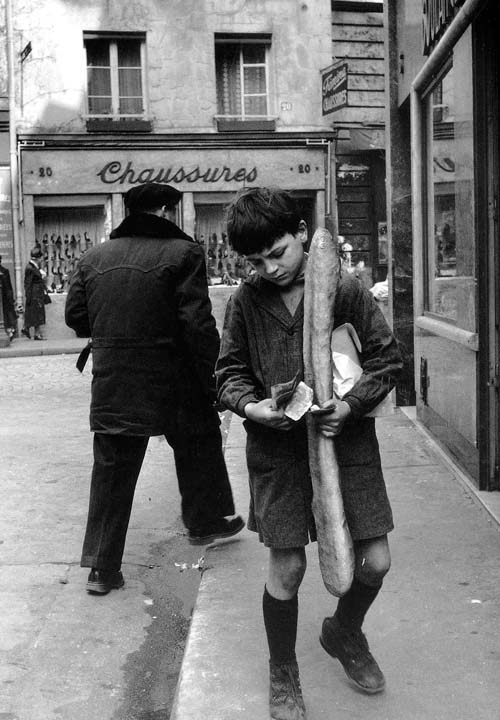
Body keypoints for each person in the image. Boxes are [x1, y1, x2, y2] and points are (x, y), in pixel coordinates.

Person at [215, 187, 403, 719]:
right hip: (278, 455)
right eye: (255, 261)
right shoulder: (245, 303)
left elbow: (388, 361)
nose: (269, 268)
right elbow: (227, 375)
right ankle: (283, 674)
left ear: (301, 233)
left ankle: (343, 631)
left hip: (348, 447)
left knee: (375, 560)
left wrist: (353, 405)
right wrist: (252, 409)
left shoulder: (345, 291)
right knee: (289, 567)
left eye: (277, 253)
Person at [65, 182, 244, 596]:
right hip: (174, 380)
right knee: (199, 439)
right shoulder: (183, 254)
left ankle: (101, 569)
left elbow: (77, 317)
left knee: (112, 472)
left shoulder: (94, 257)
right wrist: (214, 381)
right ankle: (205, 521)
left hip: (115, 383)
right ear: (165, 211)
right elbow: (198, 327)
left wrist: (116, 328)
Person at [22, 247, 49, 340]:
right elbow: (28, 283)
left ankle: (32, 331)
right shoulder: (30, 268)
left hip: (36, 293)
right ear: (38, 258)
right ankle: (31, 330)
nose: (42, 260)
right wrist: (28, 296)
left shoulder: (34, 267)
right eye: (41, 258)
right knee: (36, 313)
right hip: (34, 294)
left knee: (36, 313)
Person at [0, 255, 17, 340]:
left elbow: (8, 287)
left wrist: (11, 299)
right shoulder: (4, 271)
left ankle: (9, 331)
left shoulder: (4, 272)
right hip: (5, 298)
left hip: (4, 299)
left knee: (6, 316)